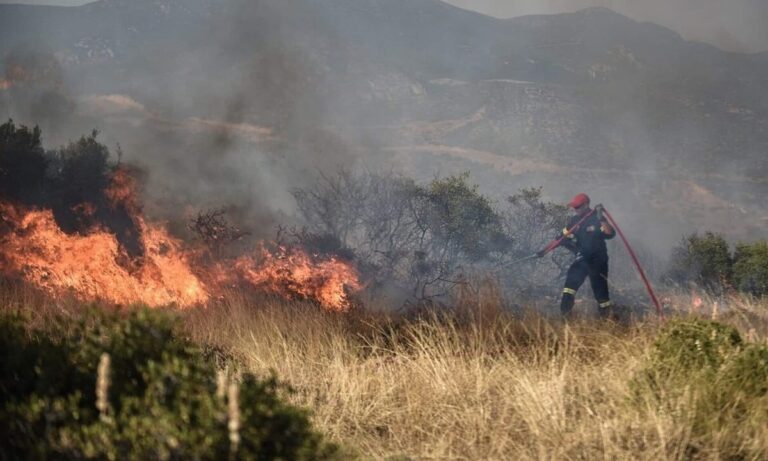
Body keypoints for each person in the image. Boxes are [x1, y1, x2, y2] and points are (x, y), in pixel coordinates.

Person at [558, 193, 616, 318]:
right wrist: (571, 244)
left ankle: (607, 321)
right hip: (582, 258)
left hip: (598, 261)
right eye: (574, 207)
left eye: (578, 207)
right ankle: (565, 318)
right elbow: (560, 238)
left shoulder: (596, 218)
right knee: (569, 287)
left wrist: (602, 218)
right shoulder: (574, 221)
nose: (575, 209)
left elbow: (610, 233)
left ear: (586, 205)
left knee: (601, 293)